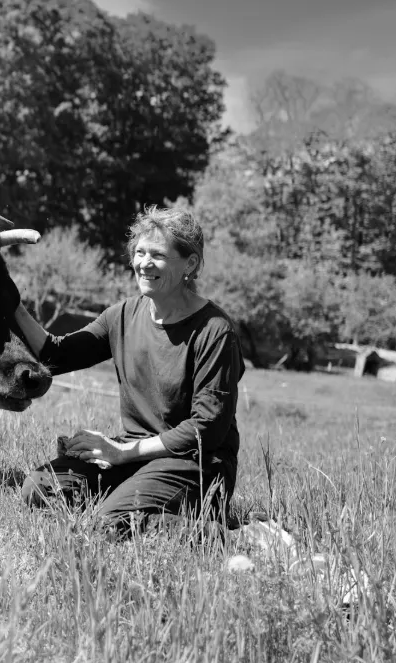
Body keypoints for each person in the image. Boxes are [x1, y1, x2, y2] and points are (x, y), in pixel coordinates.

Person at [13, 205, 244, 539]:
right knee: (39, 489)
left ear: (190, 264)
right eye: (139, 252)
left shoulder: (215, 330)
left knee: (107, 526)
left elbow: (205, 430)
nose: (144, 264)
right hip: (135, 455)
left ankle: (239, 538)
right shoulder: (121, 315)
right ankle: (140, 508)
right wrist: (12, 304)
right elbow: (56, 355)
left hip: (196, 465)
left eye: (158, 255)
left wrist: (121, 453)